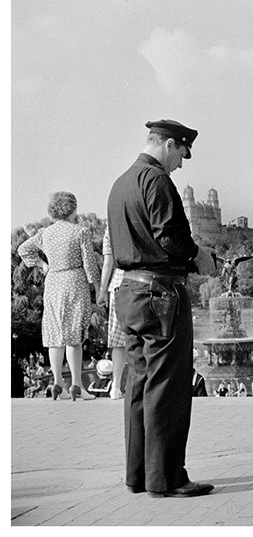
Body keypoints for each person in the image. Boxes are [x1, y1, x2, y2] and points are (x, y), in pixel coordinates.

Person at [107, 119, 217, 498]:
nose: (181, 165)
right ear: (169, 145)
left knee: (138, 384)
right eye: (182, 154)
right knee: (168, 387)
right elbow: (168, 236)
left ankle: (138, 475)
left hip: (130, 292)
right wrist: (198, 255)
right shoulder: (156, 180)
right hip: (161, 294)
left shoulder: (121, 183)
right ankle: (168, 478)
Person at [18, 191, 101, 401]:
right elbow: (90, 265)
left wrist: (42, 265)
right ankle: (76, 385)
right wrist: (98, 288)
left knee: (55, 333)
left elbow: (23, 249)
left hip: (53, 282)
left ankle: (57, 384)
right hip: (75, 281)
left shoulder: (45, 233)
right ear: (72, 208)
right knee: (73, 335)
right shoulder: (80, 232)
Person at [97, 227, 126, 399]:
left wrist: (102, 290)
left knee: (118, 339)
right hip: (143, 278)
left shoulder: (112, 226)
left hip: (118, 282)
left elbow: (108, 263)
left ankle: (115, 385)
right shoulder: (143, 215)